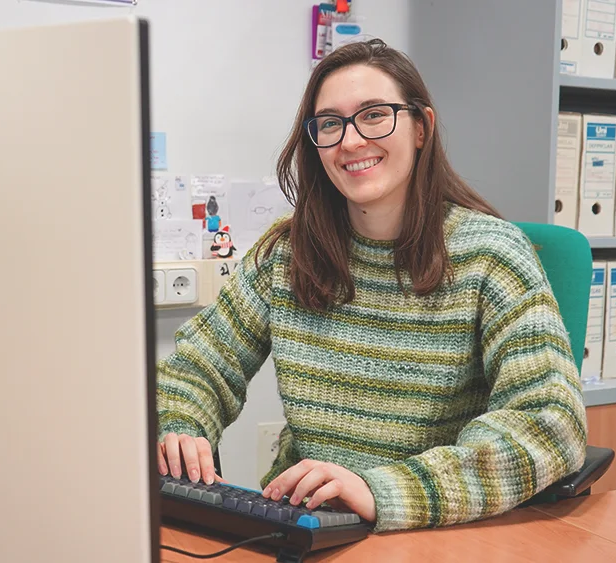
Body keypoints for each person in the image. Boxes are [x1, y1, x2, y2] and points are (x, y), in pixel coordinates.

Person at [155, 39, 587, 532]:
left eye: (375, 115)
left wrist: (383, 490)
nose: (352, 141)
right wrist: (181, 426)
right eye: (331, 124)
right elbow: (197, 367)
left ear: (421, 127)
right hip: (308, 527)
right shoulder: (288, 252)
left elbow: (552, 424)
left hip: (433, 535)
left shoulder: (491, 255)